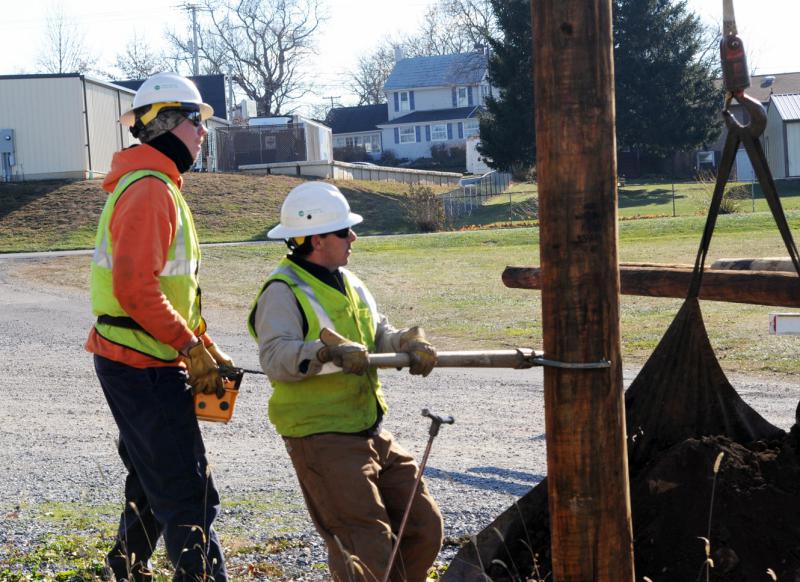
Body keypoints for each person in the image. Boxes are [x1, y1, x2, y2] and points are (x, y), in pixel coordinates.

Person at [248, 181, 444, 581]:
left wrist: (406, 342)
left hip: (368, 430)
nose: (353, 236)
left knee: (423, 526)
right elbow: (273, 358)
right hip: (322, 436)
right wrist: (322, 353)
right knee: (365, 548)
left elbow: (378, 335)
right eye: (343, 231)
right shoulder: (282, 292)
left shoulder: (349, 282)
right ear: (316, 239)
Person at [86, 72, 231, 582]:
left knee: (153, 476)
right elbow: (134, 288)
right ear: (167, 123)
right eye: (197, 122)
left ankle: (123, 568)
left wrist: (204, 345)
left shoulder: (154, 185)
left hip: (136, 358)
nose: (203, 133)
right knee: (187, 490)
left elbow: (168, 291)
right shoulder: (150, 191)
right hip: (142, 364)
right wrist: (188, 345)